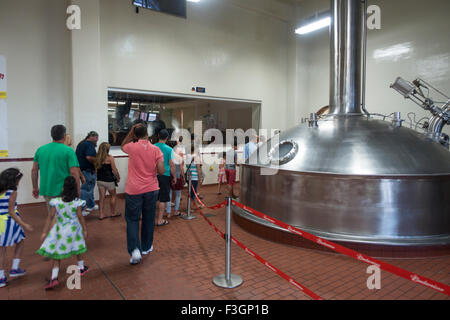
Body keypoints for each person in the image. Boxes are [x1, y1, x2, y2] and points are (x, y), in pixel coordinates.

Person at [122, 124, 164, 265]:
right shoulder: (156, 149)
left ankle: (135, 250)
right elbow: (161, 171)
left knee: (133, 220)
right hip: (151, 189)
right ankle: (146, 247)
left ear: (135, 134)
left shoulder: (131, 147)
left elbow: (123, 145)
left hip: (134, 190)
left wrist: (131, 131)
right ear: (147, 133)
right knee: (148, 218)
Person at [37, 176, 89, 290]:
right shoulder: (77, 202)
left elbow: (50, 217)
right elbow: (80, 217)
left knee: (57, 254)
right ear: (75, 189)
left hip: (60, 230)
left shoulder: (57, 202)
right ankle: (81, 268)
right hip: (74, 229)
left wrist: (44, 232)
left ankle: (54, 277)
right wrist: (85, 229)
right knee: (77, 248)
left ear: (63, 188)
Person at [32, 125, 82, 212]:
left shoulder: (40, 150)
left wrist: (35, 187)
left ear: (52, 135)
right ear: (64, 136)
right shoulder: (68, 151)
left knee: (52, 216)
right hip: (65, 191)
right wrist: (77, 190)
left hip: (47, 189)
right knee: (66, 217)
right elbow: (74, 173)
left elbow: (34, 170)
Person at [0, 169, 33, 288]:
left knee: (1, 250)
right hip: (9, 222)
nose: (18, 183)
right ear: (13, 180)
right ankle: (14, 268)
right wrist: (23, 224)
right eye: (18, 180)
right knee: (20, 241)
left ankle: (1, 277)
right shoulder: (12, 192)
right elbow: (11, 211)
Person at [94, 142, 121, 220]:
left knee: (101, 198)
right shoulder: (110, 158)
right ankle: (113, 213)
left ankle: (101, 214)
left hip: (100, 180)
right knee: (113, 196)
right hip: (109, 180)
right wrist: (118, 177)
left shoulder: (97, 158)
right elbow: (114, 170)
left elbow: (96, 171)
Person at [154, 130, 176, 226]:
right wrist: (174, 177)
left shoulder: (152, 147)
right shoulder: (169, 149)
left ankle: (150, 218)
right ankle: (160, 220)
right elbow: (172, 165)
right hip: (165, 175)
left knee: (153, 198)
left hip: (152, 175)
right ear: (167, 138)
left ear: (158, 135)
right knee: (162, 199)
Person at [76, 131, 99, 216]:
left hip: (82, 169)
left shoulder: (81, 144)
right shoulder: (89, 144)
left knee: (89, 188)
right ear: (93, 137)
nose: (97, 141)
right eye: (96, 138)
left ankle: (91, 205)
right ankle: (81, 209)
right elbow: (89, 157)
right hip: (87, 170)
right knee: (86, 189)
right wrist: (98, 161)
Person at [166, 141, 185, 218]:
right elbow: (181, 169)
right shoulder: (178, 157)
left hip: (169, 176)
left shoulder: (168, 156)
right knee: (178, 195)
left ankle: (168, 213)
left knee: (169, 195)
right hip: (177, 176)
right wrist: (183, 177)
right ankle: (176, 211)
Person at [186, 145, 203, 209]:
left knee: (192, 191)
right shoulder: (196, 157)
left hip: (189, 176)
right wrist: (200, 178)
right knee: (193, 192)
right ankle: (190, 207)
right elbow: (198, 169)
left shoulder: (187, 156)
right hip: (194, 177)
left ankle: (194, 205)